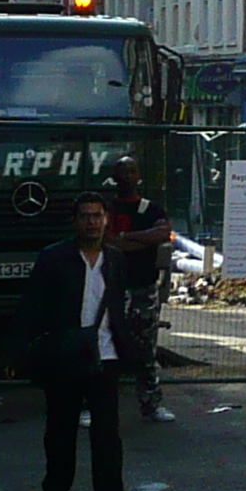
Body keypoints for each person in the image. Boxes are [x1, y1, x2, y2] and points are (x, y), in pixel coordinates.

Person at [16, 193, 137, 491]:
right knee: (60, 433)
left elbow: (118, 306)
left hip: (106, 357)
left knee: (107, 437)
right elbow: (34, 308)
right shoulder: (54, 259)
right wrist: (30, 353)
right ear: (75, 221)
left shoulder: (114, 259)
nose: (92, 222)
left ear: (106, 219)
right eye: (85, 216)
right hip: (65, 357)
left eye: (97, 216)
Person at [99, 155, 179, 424]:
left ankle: (151, 405)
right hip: (110, 289)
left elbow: (163, 233)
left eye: (132, 171)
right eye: (123, 171)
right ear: (115, 177)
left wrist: (125, 238)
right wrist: (139, 241)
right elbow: (105, 242)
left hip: (143, 287)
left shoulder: (150, 209)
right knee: (102, 347)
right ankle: (96, 405)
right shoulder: (106, 209)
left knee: (146, 349)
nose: (128, 176)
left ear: (139, 176)